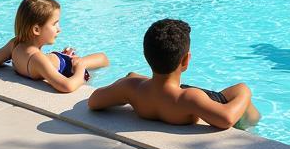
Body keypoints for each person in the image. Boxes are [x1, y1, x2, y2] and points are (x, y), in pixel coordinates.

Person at [87, 18, 260, 130]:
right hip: (206, 104)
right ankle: (250, 125)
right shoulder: (190, 98)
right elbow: (227, 118)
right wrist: (245, 91)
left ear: (146, 55)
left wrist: (130, 82)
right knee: (241, 94)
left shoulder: (131, 90)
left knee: (132, 75)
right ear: (186, 60)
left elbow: (94, 101)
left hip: (155, 91)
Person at [0, 0, 109, 93]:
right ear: (36, 29)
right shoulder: (37, 59)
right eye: (55, 24)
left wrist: (7, 58)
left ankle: (64, 55)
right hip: (70, 67)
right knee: (103, 58)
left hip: (58, 59)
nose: (59, 29)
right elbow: (67, 86)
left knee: (99, 58)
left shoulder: (14, 45)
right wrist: (80, 67)